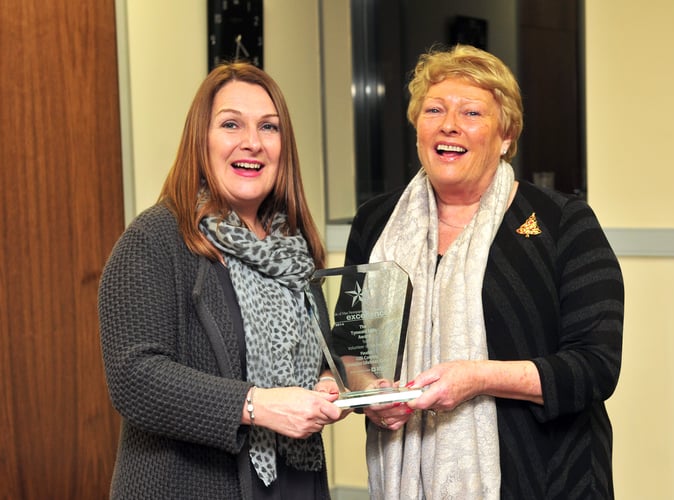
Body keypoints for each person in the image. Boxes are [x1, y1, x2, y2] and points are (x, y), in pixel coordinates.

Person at [342, 44, 624, 499]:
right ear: (417, 126)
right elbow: (352, 346)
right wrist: (371, 393)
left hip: (547, 479)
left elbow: (595, 367)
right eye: (434, 109)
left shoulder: (562, 222)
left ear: (506, 136)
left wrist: (479, 378)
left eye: (471, 113)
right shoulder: (376, 223)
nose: (449, 124)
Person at [98, 62, 347, 499]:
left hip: (295, 480)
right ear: (202, 140)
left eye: (268, 128)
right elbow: (134, 377)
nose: (251, 142)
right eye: (231, 124)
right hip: (192, 485)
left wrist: (330, 381)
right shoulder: (154, 240)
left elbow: (318, 353)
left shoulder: (294, 248)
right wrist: (256, 406)